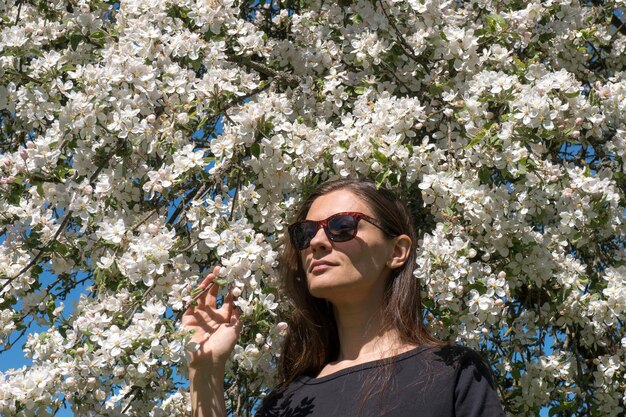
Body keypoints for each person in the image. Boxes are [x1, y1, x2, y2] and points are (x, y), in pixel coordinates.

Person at [183, 178, 505, 417]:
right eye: (305, 233)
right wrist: (206, 371)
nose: (317, 242)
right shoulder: (284, 404)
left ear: (397, 251)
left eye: (341, 226)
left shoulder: (452, 374)